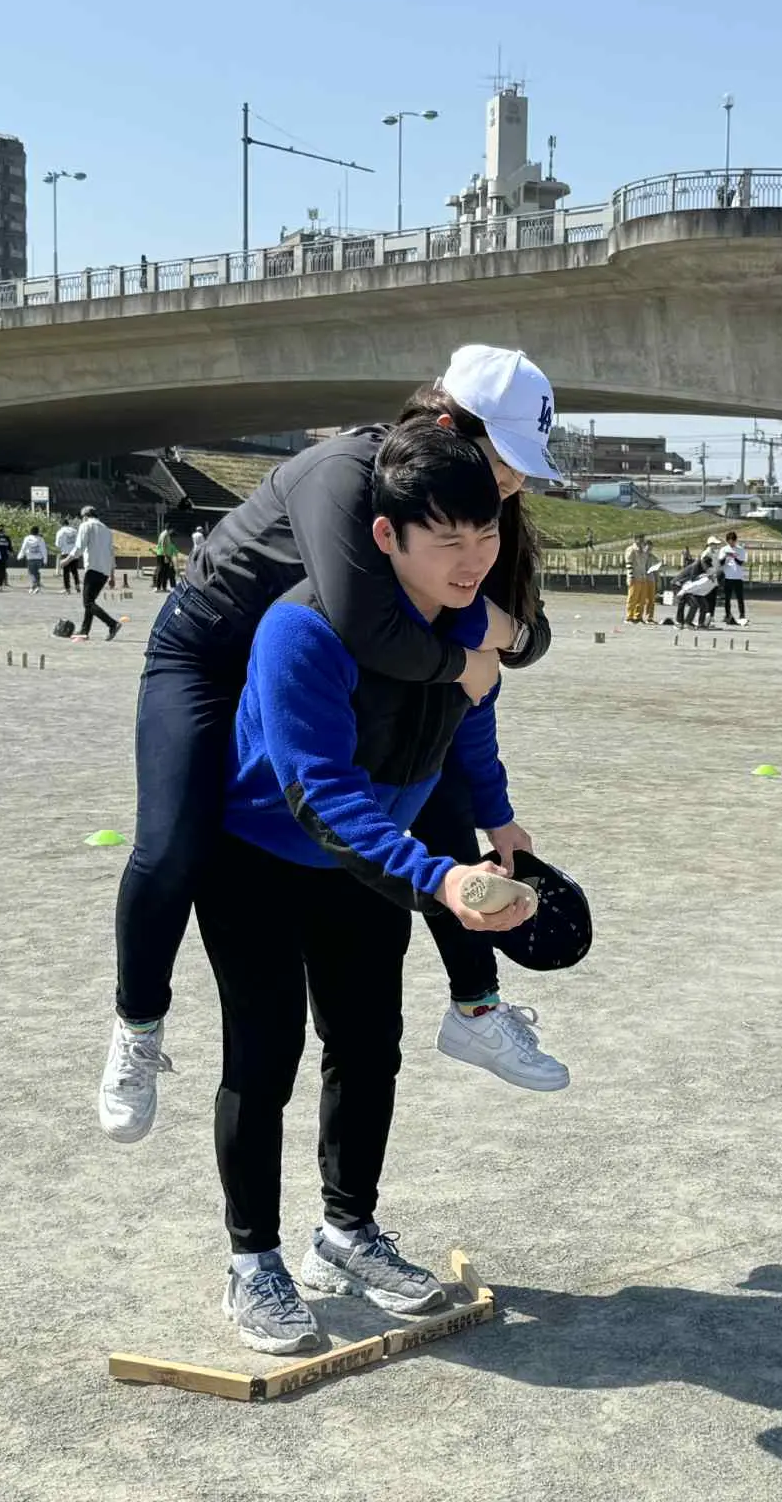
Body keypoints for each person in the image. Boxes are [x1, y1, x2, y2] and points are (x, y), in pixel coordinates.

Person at [99, 344, 566, 1148]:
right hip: (210, 651)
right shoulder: (349, 474)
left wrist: (502, 640)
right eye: (506, 459)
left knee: (433, 782)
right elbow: (367, 626)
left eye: (524, 468)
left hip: (312, 657)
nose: (514, 483)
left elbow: (524, 634)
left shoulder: (465, 505)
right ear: (448, 426)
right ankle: (137, 1025)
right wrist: (471, 653)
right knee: (174, 840)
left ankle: (475, 1008)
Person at [204, 421, 535, 1356]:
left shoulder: (464, 622)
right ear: (386, 536)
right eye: (448, 539)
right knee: (263, 1059)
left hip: (367, 869)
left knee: (366, 1046)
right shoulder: (301, 630)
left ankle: (346, 1233)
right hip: (260, 861)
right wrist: (438, 877)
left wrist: (499, 819)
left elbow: (470, 722)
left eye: (487, 534)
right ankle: (252, 1261)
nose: (474, 560)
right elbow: (322, 796)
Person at [64, 506, 121, 641]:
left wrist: (66, 560)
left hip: (93, 568)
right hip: (104, 572)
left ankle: (112, 624)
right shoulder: (106, 530)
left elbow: (79, 547)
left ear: (85, 516)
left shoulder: (86, 526)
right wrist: (112, 575)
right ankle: (84, 630)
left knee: (88, 603)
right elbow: (111, 553)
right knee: (90, 601)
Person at [624, 534, 658, 624]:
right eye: (640, 539)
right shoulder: (631, 549)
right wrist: (630, 576)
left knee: (641, 599)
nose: (642, 541)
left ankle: (638, 617)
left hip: (643, 577)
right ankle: (629, 617)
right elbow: (628, 563)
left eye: (643, 539)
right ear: (636, 539)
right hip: (635, 576)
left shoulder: (643, 550)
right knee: (633, 598)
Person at [718, 530, 749, 625]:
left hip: (738, 577)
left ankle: (742, 615)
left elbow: (741, 563)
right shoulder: (724, 549)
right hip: (728, 576)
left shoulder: (740, 549)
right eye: (729, 541)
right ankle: (727, 615)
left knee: (740, 597)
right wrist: (726, 556)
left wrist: (734, 556)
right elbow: (720, 563)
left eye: (733, 541)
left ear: (735, 541)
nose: (731, 543)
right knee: (727, 598)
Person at [18, 525, 48, 592]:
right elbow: (44, 550)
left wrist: (20, 555)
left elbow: (23, 548)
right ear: (38, 532)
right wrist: (45, 560)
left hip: (30, 558)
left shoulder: (27, 538)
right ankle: (36, 586)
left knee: (31, 573)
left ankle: (35, 586)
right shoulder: (41, 539)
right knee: (36, 572)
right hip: (39, 558)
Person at [55, 518, 82, 593]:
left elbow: (58, 544)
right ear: (68, 524)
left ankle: (67, 588)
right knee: (74, 571)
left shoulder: (60, 532)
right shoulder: (75, 531)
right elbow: (79, 541)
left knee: (66, 572)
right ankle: (77, 585)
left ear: (61, 524)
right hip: (74, 553)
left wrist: (61, 546)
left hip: (65, 553)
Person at [153, 525, 179, 594]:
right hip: (163, 554)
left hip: (164, 554)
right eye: (172, 530)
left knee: (165, 571)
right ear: (170, 529)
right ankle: (158, 587)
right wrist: (165, 556)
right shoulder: (165, 534)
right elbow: (163, 545)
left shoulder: (165, 534)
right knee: (161, 571)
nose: (172, 531)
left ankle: (163, 587)